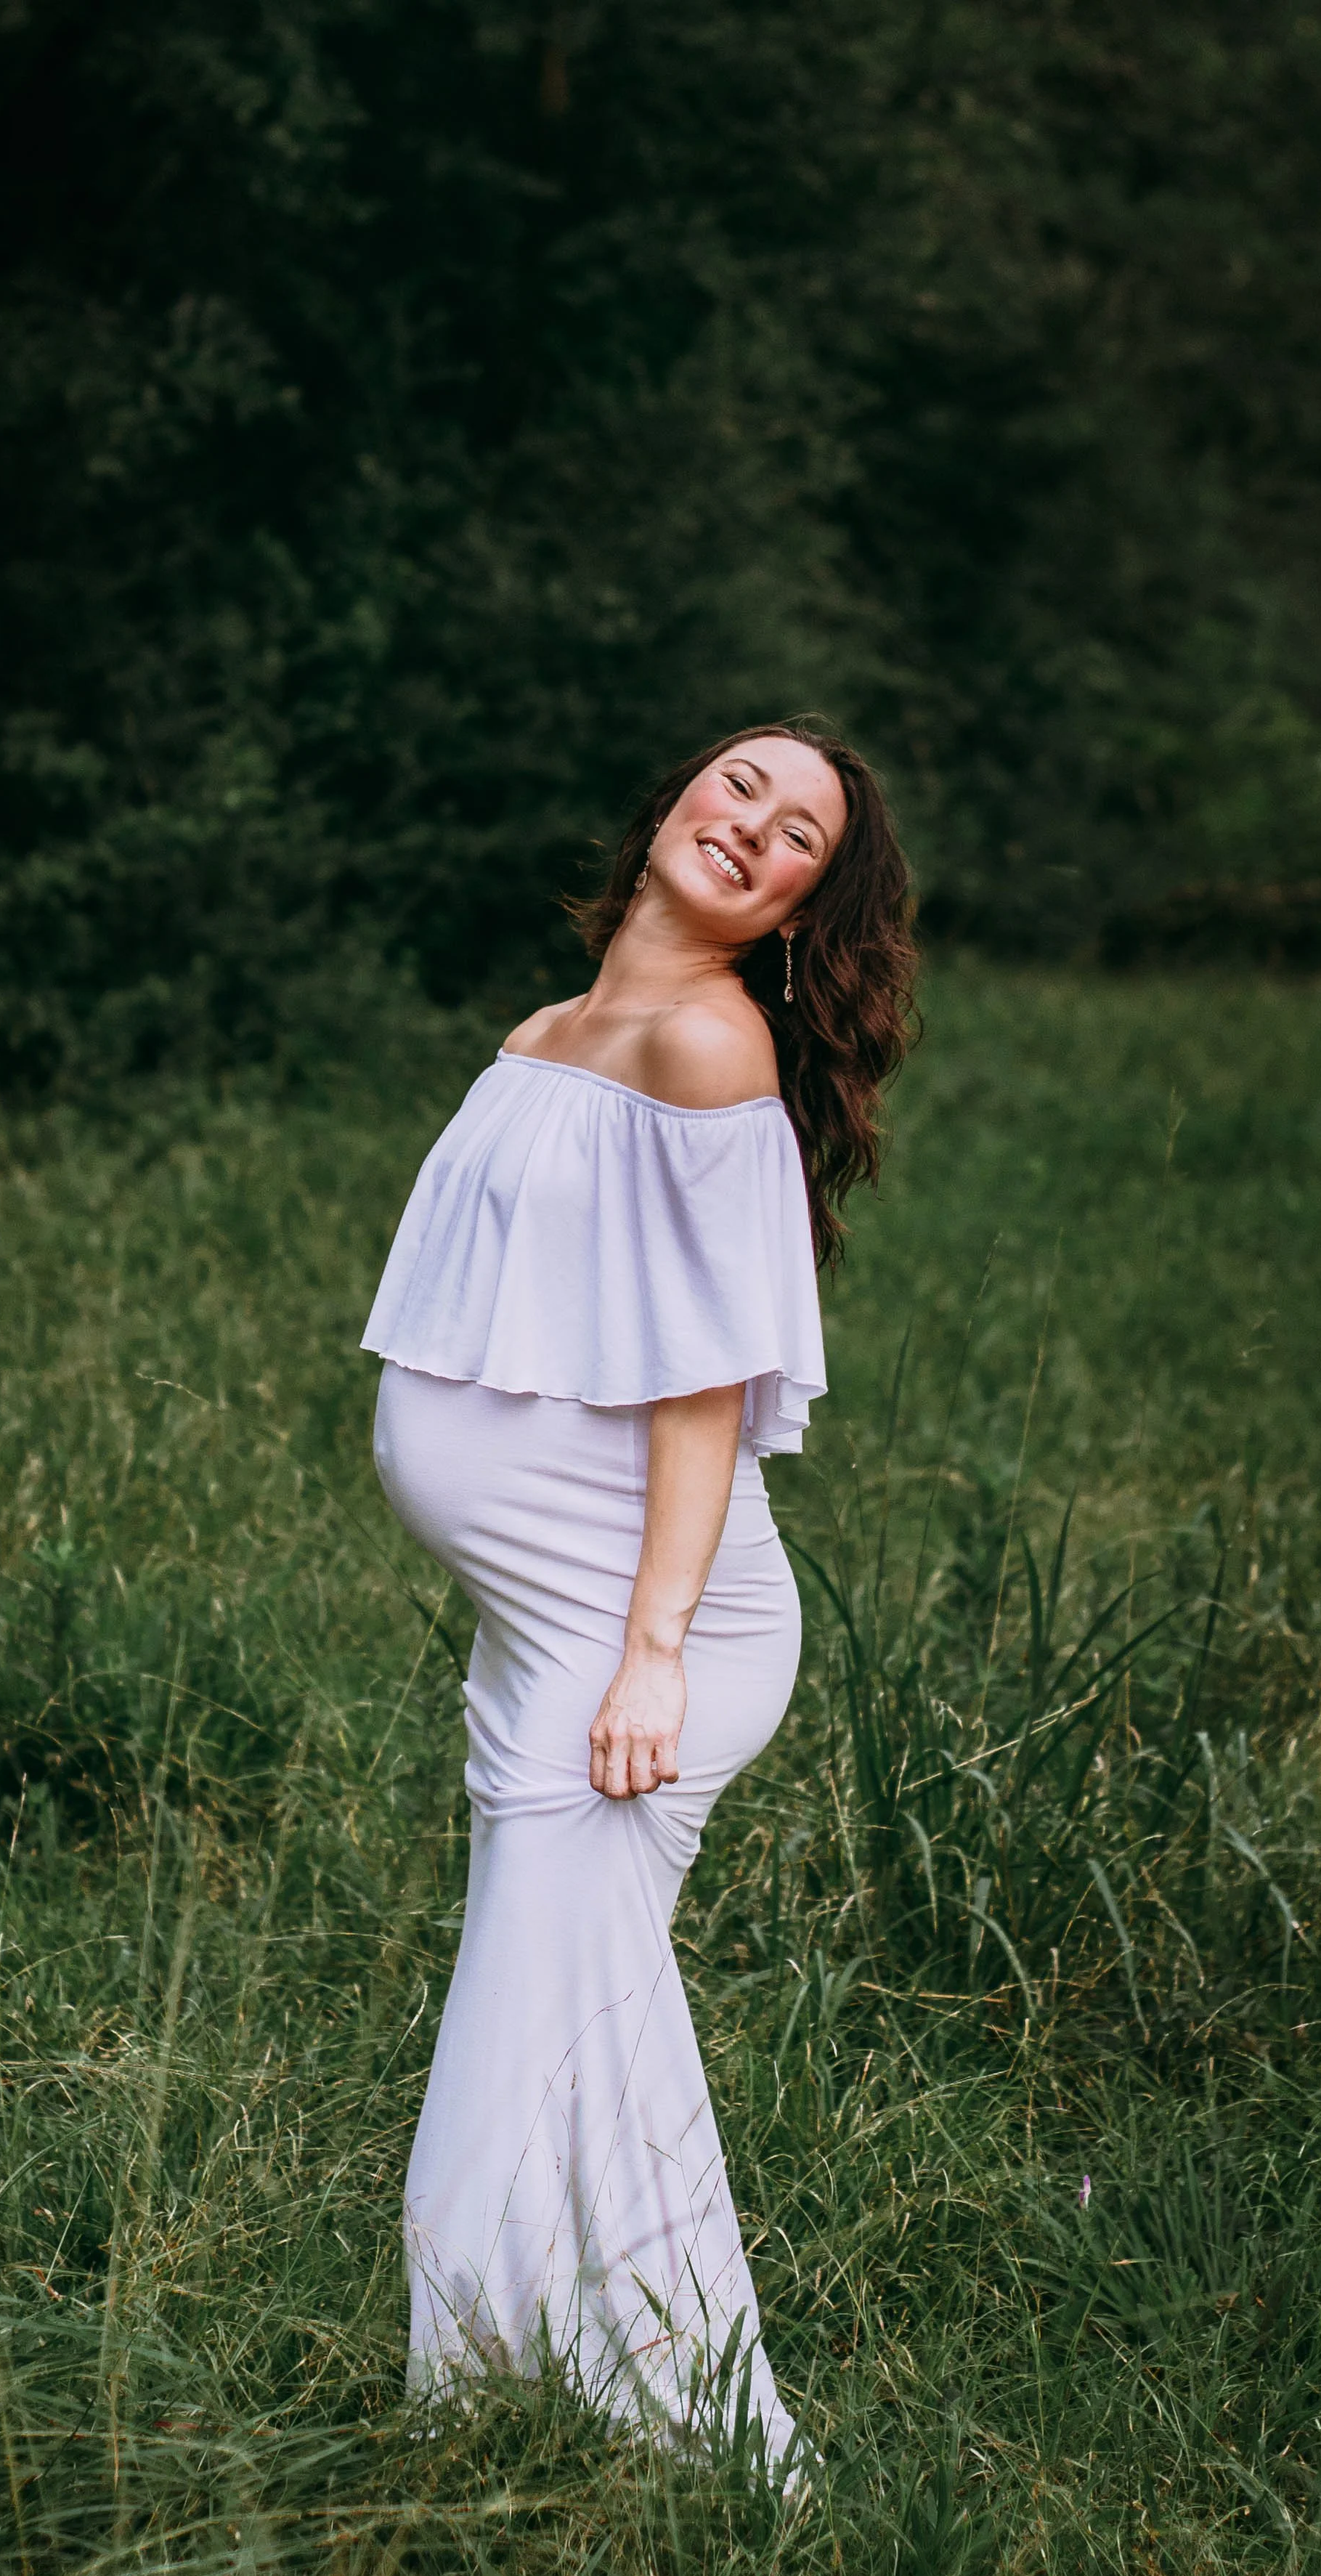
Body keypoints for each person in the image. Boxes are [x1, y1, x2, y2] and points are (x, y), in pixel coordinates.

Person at [362, 721, 916, 2474]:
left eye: (800, 835)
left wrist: (652, 1650)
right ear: (683, 796)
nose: (751, 826)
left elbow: (698, 1383)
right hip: (563, 1625)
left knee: (547, 2004)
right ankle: (537, 2381)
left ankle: (685, 2429)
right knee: (551, 2006)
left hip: (658, 1636)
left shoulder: (706, 1042)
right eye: (742, 786)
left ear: (804, 907)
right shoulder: (551, 1034)